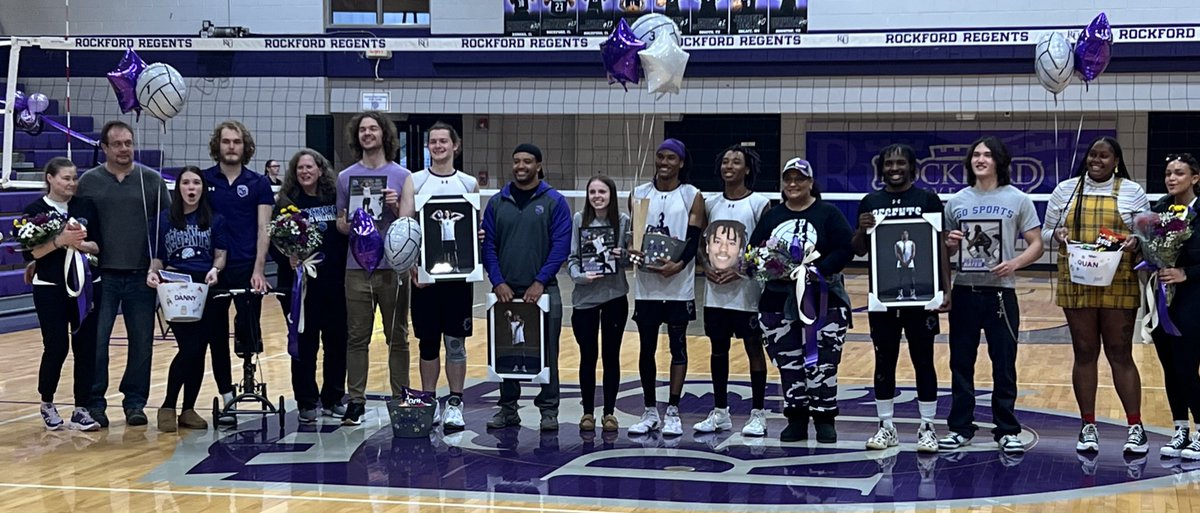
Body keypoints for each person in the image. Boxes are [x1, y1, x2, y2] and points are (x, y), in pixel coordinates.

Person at [1042, 136, 1149, 455]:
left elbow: (1147, 236)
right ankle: (1087, 425)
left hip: (1119, 280)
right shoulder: (1066, 189)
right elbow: (1046, 232)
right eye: (1092, 155)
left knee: (1120, 352)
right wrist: (1058, 234)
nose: (1096, 160)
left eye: (1104, 156)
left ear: (1116, 161)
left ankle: (1135, 426)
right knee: (1084, 351)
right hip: (1077, 279)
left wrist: (1135, 240)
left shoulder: (1132, 191)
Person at [942, 136, 1044, 455]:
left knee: (1003, 363)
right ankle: (960, 427)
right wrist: (951, 244)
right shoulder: (957, 200)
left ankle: (1007, 429)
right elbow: (945, 249)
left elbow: (1037, 243)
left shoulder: (1018, 199)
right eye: (976, 154)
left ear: (999, 160)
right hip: (965, 291)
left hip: (1001, 292)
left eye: (987, 154)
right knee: (961, 362)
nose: (980, 159)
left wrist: (1014, 262)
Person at [852, 144, 950, 453]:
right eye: (889, 163)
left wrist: (946, 289)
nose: (895, 167)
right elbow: (858, 249)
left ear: (912, 167)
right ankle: (886, 426)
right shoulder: (871, 202)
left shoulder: (927, 200)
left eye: (900, 162)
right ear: (881, 168)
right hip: (884, 297)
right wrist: (861, 229)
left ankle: (927, 428)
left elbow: (939, 247)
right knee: (884, 361)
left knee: (924, 360)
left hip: (921, 296)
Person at [749, 157, 853, 443]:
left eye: (799, 179)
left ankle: (824, 418)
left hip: (823, 299)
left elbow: (847, 248)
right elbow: (754, 251)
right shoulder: (772, 216)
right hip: (778, 302)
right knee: (789, 362)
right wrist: (773, 269)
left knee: (822, 362)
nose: (793, 184)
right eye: (788, 179)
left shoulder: (828, 213)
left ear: (810, 182)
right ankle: (795, 417)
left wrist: (816, 271)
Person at [77, 120, 170, 428]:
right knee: (98, 341)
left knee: (142, 343)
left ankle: (135, 403)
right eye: (117, 144)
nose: (124, 149)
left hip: (141, 277)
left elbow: (165, 227)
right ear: (104, 147)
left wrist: (159, 266)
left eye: (128, 143)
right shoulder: (89, 182)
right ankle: (95, 403)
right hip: (102, 278)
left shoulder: (151, 181)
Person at [481, 143, 571, 431]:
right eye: (517, 161)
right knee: (506, 350)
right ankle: (508, 409)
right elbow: (488, 245)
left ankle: (548, 411)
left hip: (544, 291)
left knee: (548, 352)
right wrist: (497, 281)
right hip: (505, 291)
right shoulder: (497, 202)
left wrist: (539, 282)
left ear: (539, 165)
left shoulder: (555, 201)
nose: (521, 166)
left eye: (527, 161)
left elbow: (560, 247)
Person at [335, 111, 416, 426]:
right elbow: (341, 224)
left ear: (384, 134)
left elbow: (408, 224)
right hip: (357, 268)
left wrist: (395, 205)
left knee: (398, 337)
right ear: (357, 136)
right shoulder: (345, 178)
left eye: (373, 128)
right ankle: (355, 400)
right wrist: (350, 223)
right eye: (362, 130)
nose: (367, 133)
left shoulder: (402, 175)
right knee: (357, 338)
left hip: (392, 269)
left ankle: (400, 398)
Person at [627, 138, 706, 437]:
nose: (664, 162)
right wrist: (633, 252)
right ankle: (649, 410)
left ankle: (672, 410)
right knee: (647, 348)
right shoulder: (640, 194)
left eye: (671, 157)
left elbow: (694, 237)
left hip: (677, 286)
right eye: (660, 156)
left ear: (681, 163)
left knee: (677, 347)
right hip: (647, 287)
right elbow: (634, 239)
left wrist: (680, 265)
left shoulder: (691, 195)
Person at [202, 120, 275, 427]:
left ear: (246, 147)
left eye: (237, 142)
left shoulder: (258, 183)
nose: (231, 146)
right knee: (215, 334)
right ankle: (226, 392)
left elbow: (264, 228)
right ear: (217, 145)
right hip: (213, 269)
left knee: (248, 328)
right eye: (226, 141)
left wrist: (259, 269)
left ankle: (250, 380)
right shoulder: (204, 180)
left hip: (246, 265)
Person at [696, 145, 770, 436]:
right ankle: (720, 412)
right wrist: (706, 266)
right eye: (725, 161)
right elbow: (701, 245)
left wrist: (740, 269)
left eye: (736, 162)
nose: (729, 166)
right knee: (718, 350)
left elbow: (765, 249)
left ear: (747, 169)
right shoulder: (710, 203)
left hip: (747, 291)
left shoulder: (759, 203)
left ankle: (758, 414)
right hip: (715, 291)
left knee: (753, 348)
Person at [409, 122, 477, 432]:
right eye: (433, 142)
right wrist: (413, 269)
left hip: (458, 278)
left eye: (443, 141)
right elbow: (404, 230)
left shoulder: (468, 183)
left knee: (455, 343)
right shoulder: (415, 181)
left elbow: (472, 230)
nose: (438, 146)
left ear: (455, 146)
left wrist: (476, 237)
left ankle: (455, 403)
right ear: (428, 147)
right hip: (425, 278)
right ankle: (429, 401)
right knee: (427, 342)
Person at [147, 166, 225, 432]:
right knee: (189, 348)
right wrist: (152, 273)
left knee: (199, 350)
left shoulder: (214, 218)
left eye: (196, 183)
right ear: (178, 187)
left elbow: (220, 254)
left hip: (205, 289)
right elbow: (157, 257)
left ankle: (188, 409)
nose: (191, 188)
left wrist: (216, 269)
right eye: (186, 183)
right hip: (176, 288)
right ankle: (168, 405)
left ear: (202, 188)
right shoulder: (164, 219)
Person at [26, 157, 101, 431]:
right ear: (50, 178)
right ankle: (47, 402)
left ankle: (82, 408)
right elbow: (33, 252)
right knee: (57, 346)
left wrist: (80, 244)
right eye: (65, 178)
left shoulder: (85, 207)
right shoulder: (35, 211)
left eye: (74, 178)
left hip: (83, 287)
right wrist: (60, 241)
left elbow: (97, 246)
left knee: (85, 348)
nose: (71, 183)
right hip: (50, 289)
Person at [274, 149, 348, 423]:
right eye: (300, 168)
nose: (305, 172)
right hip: (300, 286)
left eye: (310, 167)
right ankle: (306, 401)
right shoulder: (285, 203)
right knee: (304, 344)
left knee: (336, 342)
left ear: (320, 169)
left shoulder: (333, 198)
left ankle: (333, 397)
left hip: (334, 283)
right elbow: (275, 242)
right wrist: (287, 257)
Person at [1147, 153, 1200, 460]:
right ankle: (1180, 428)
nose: (1171, 178)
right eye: (1168, 173)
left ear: (1195, 178)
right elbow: (1149, 245)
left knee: (1185, 367)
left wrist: (1186, 273)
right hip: (1162, 297)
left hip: (1194, 298)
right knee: (1169, 366)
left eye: (1179, 173)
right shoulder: (1159, 211)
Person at [567, 175, 630, 432]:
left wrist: (622, 255)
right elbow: (572, 258)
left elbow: (628, 260)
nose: (597, 196)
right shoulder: (579, 220)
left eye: (601, 191)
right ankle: (588, 413)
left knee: (611, 356)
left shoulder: (623, 221)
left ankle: (610, 413)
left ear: (611, 195)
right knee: (588, 356)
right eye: (592, 192)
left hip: (615, 297)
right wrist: (581, 277)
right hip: (585, 298)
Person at [894, 230, 917, 299]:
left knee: (911, 279)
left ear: (908, 235)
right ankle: (900, 294)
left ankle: (912, 294)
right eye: (903, 234)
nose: (905, 235)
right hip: (900, 264)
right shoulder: (897, 243)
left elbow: (913, 253)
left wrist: (908, 262)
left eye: (906, 234)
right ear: (901, 235)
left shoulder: (912, 243)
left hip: (910, 264)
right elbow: (897, 254)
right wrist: (902, 262)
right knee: (900, 280)